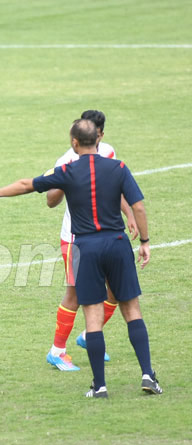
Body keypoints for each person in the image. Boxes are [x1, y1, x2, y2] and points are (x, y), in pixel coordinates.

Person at [0, 118, 162, 398]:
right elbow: (139, 207)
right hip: (118, 244)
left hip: (86, 248)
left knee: (92, 317)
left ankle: (100, 386)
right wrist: (144, 241)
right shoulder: (118, 167)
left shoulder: (68, 171)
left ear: (74, 142)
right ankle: (147, 375)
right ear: (99, 139)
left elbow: (26, 184)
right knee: (132, 310)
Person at [44, 110, 138, 371]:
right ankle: (57, 351)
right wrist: (65, 180)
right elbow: (50, 200)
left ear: (101, 135)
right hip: (76, 238)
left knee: (116, 291)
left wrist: (129, 213)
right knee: (75, 294)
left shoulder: (108, 152)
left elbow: (113, 185)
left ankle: (89, 336)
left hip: (104, 235)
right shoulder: (66, 161)